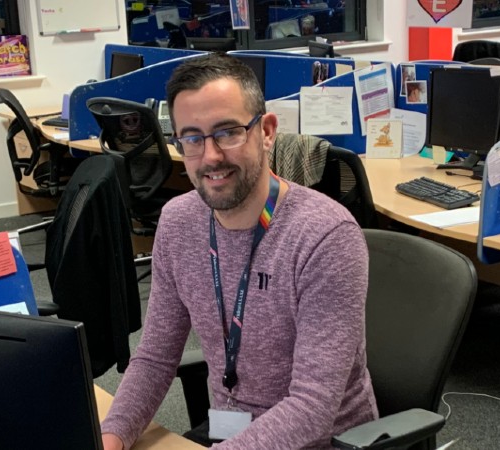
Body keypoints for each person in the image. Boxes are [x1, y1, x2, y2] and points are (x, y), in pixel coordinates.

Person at [101, 53, 377, 449]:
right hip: (229, 430)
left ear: (266, 131)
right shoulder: (179, 223)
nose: (211, 156)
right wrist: (111, 437)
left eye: (228, 132)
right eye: (192, 138)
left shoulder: (325, 236)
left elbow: (313, 408)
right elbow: (155, 358)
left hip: (326, 439)